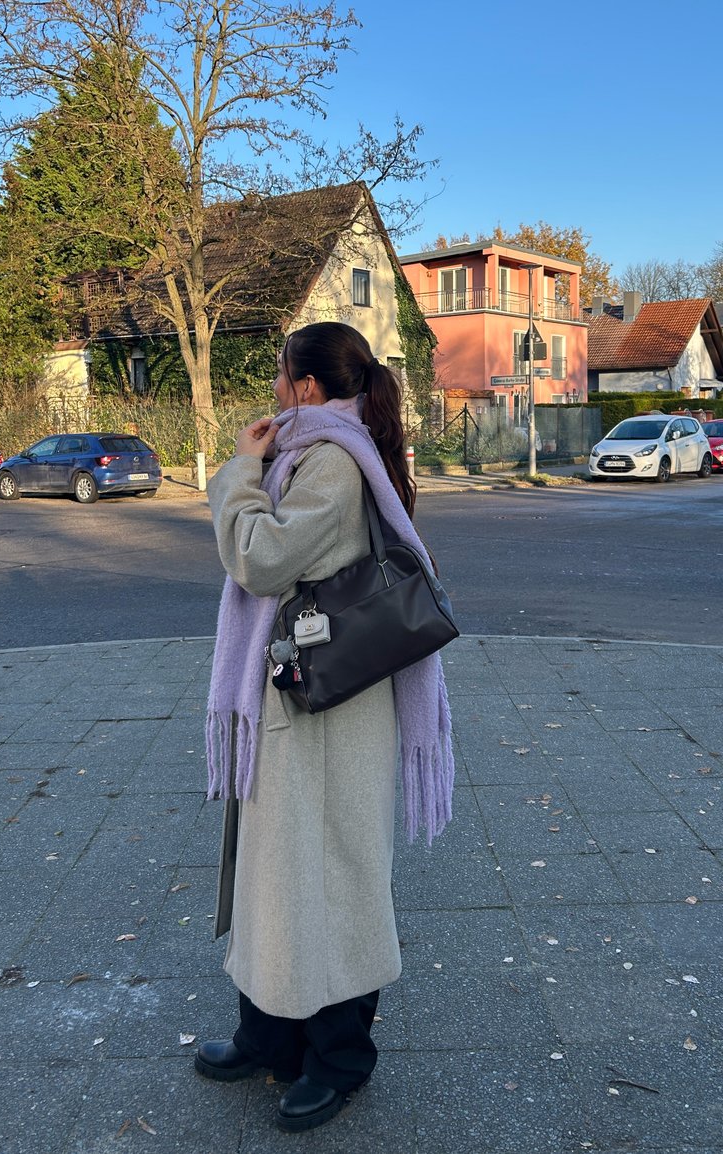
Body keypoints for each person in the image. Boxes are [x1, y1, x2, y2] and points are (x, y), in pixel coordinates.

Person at [197, 321, 455, 1133]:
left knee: (333, 874)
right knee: (278, 875)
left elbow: (261, 560)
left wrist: (239, 472)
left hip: (330, 710)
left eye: (281, 374)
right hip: (297, 697)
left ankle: (340, 1059)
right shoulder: (312, 451)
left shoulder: (334, 462)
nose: (274, 387)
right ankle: (268, 1036)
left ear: (306, 386)